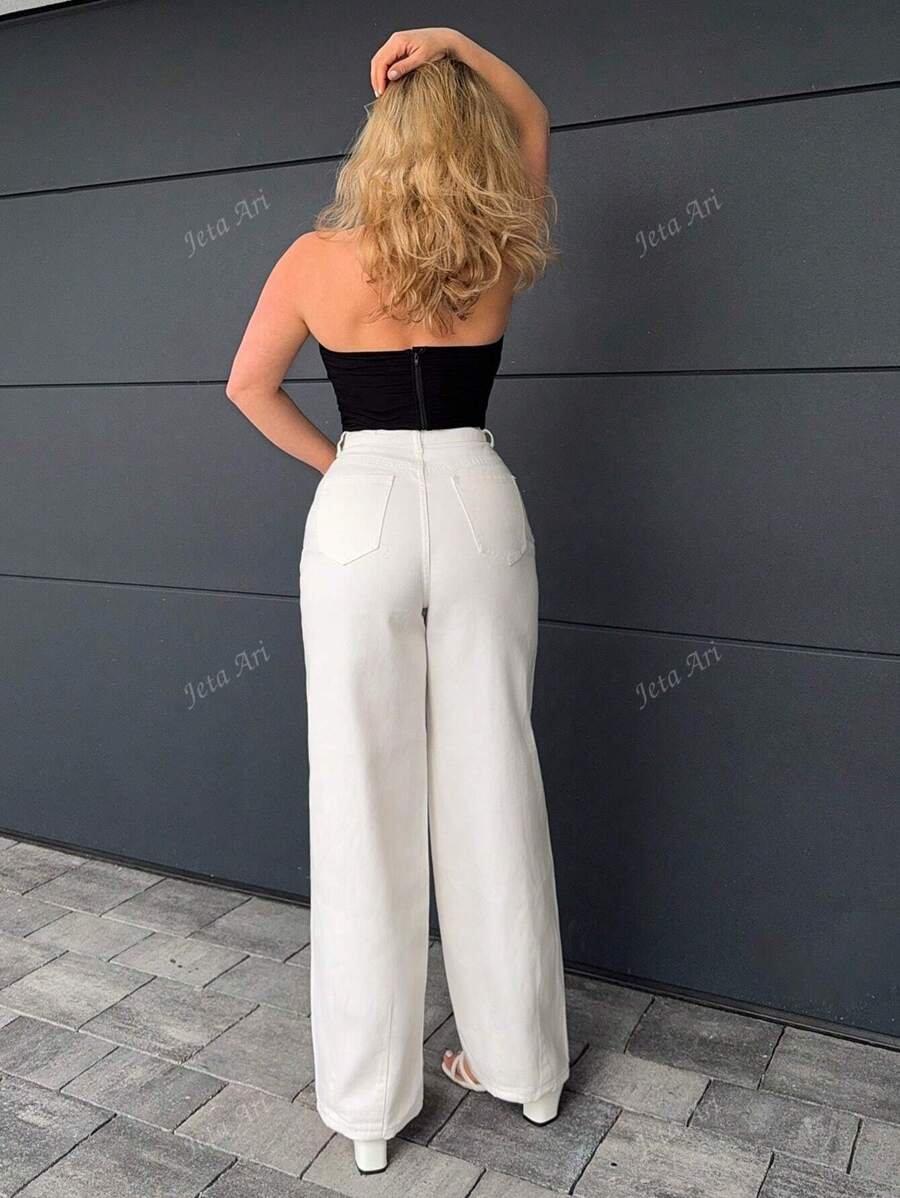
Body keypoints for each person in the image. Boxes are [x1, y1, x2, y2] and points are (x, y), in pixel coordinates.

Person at [225, 26, 569, 1175]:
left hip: (361, 510)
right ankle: (524, 1071)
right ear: (467, 138)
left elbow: (248, 385)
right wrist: (460, 43)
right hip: (478, 501)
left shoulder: (314, 258)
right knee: (493, 775)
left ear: (377, 140)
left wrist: (345, 467)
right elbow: (534, 119)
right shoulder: (494, 241)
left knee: (360, 793)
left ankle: (370, 1109)